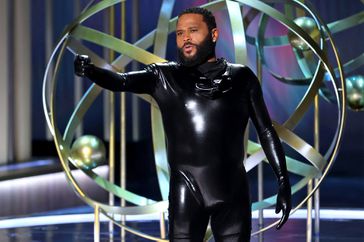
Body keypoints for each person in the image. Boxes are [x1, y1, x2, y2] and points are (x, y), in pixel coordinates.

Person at [74, 7, 291, 242]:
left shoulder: (242, 78)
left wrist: (283, 179)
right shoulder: (164, 77)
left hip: (232, 191)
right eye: (179, 33)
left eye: (193, 30)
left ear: (214, 35)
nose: (185, 37)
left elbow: (266, 130)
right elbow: (122, 81)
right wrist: (92, 71)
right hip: (187, 191)